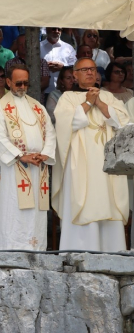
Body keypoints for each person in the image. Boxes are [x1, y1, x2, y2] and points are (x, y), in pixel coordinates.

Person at [52, 58, 129, 251]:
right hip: (80, 164)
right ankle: (79, 251)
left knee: (109, 202)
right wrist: (87, 102)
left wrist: (100, 103)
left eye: (93, 69)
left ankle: (112, 251)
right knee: (83, 200)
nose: (89, 73)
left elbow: (123, 123)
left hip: (106, 164)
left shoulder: (109, 97)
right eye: (84, 69)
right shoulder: (67, 98)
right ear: (75, 75)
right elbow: (66, 124)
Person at [0, 64, 56, 250]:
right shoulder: (0, 108)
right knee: (15, 210)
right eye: (18, 83)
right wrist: (20, 156)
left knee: (36, 213)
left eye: (25, 83)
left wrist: (44, 154)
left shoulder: (38, 107)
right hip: (15, 167)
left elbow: (50, 132)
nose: (22, 87)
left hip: (38, 166)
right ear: (8, 82)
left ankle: (37, 251)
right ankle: (12, 252)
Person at [40, 27, 77, 93]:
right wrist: (44, 67)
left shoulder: (68, 48)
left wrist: (63, 67)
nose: (56, 31)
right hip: (42, 91)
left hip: (63, 91)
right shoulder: (38, 47)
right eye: (53, 29)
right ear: (47, 29)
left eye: (59, 29)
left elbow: (75, 67)